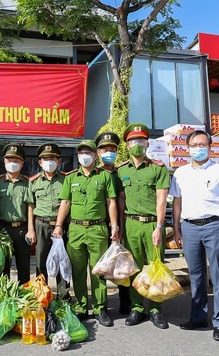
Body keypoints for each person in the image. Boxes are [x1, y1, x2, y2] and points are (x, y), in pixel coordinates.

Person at [169, 130, 219, 341]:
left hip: (215, 226)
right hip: (189, 228)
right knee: (195, 276)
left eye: (202, 144)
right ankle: (198, 317)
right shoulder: (181, 173)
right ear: (187, 148)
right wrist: (177, 229)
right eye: (194, 145)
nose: (198, 148)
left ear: (209, 147)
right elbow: (177, 202)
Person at [53, 140, 118, 327]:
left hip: (98, 229)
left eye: (88, 152)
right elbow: (65, 203)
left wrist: (114, 226)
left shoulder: (105, 176)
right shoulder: (71, 178)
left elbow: (111, 202)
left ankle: (100, 308)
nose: (84, 155)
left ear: (95, 155)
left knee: (98, 270)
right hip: (75, 230)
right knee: (78, 270)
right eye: (81, 152)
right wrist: (58, 225)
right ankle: (81, 307)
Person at [117, 123, 170, 329]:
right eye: (132, 141)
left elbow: (161, 200)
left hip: (151, 225)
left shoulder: (158, 168)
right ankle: (137, 307)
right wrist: (121, 228)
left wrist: (159, 227)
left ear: (147, 143)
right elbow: (121, 202)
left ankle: (156, 308)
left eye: (140, 141)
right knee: (134, 268)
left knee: (156, 265)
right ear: (127, 145)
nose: (137, 144)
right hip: (131, 224)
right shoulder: (122, 170)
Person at [94, 131, 129, 314]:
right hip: (98, 226)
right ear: (98, 153)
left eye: (112, 149)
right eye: (104, 149)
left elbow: (122, 203)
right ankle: (101, 306)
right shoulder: (94, 173)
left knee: (121, 265)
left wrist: (120, 227)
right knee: (101, 265)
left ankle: (126, 303)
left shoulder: (121, 172)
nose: (109, 152)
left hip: (120, 225)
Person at [27, 143, 68, 293]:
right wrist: (31, 229)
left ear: (58, 161)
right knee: (40, 262)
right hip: (41, 225)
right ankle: (41, 295)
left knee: (62, 261)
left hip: (61, 225)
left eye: (52, 158)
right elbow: (30, 206)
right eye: (45, 159)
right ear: (40, 162)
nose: (49, 162)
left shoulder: (66, 180)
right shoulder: (34, 182)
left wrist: (60, 225)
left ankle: (63, 297)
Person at [0, 144, 33, 284]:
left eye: (16, 161)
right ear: (4, 161)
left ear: (22, 163)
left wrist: (30, 229)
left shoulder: (28, 183)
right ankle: (4, 298)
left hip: (22, 230)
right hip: (3, 230)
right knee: (3, 268)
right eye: (9, 160)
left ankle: (24, 299)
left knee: (24, 267)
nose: (12, 163)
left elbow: (30, 206)